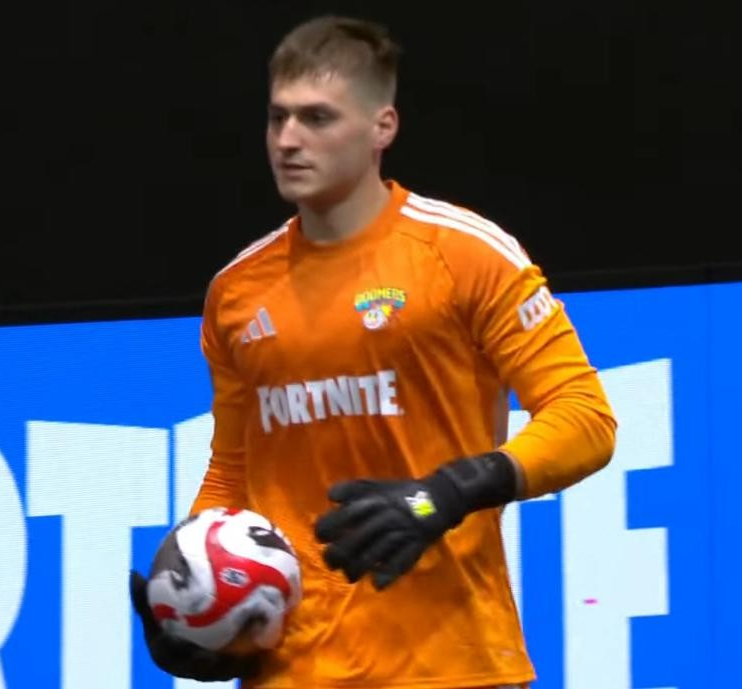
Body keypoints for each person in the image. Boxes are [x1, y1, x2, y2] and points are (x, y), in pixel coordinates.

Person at [130, 13, 617, 689]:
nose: (288, 140)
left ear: (382, 127)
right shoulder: (236, 291)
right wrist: (194, 600)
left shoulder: (464, 254)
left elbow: (585, 418)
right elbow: (235, 469)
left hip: (450, 664)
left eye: (317, 118)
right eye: (277, 118)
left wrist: (448, 492)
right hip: (291, 670)